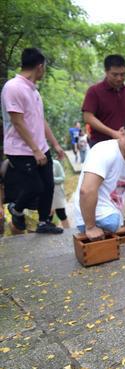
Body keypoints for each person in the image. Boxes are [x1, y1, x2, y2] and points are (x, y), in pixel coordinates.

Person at [1, 47, 65, 234]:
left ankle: (44, 222)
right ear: (40, 66)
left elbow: (40, 120)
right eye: (44, 67)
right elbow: (17, 122)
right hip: (21, 150)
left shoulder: (33, 91)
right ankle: (16, 209)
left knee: (48, 185)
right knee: (35, 186)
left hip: (40, 147)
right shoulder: (13, 87)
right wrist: (35, 150)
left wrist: (54, 144)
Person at [72, 116, 125, 240]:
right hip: (90, 217)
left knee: (116, 219)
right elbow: (87, 190)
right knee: (113, 222)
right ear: (122, 133)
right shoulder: (104, 151)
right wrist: (90, 227)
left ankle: (124, 222)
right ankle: (102, 225)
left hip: (111, 210)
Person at [82, 54, 125, 147]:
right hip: (101, 144)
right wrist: (112, 133)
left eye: (122, 74)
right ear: (106, 71)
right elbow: (88, 117)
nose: (119, 78)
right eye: (115, 74)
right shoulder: (94, 91)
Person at [50, 158, 70, 228]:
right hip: (46, 195)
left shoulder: (55, 163)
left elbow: (62, 178)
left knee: (62, 214)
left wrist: (50, 178)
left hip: (57, 194)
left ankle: (68, 233)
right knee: (48, 217)